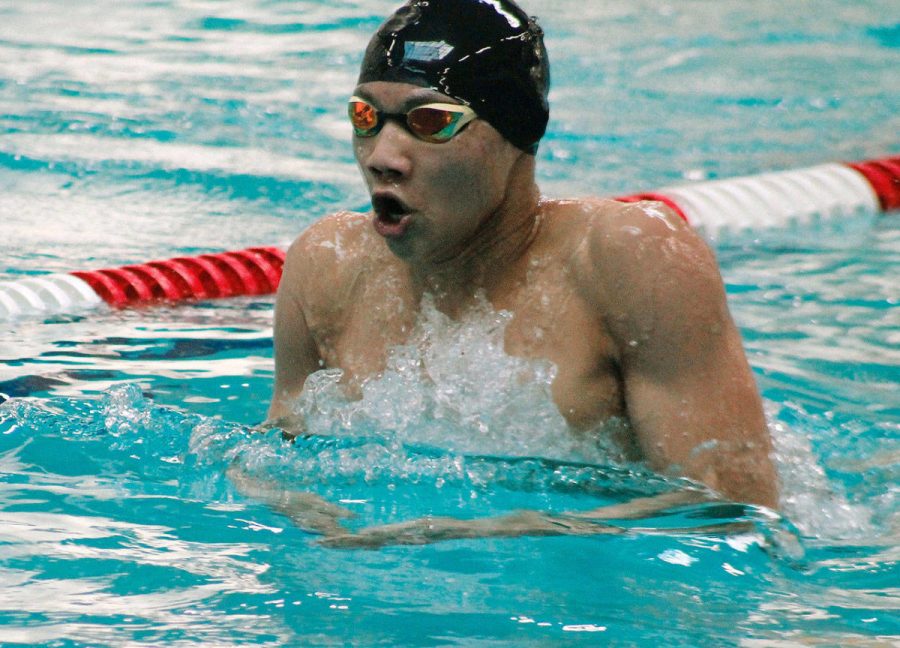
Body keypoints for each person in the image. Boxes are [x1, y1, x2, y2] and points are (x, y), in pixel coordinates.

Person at [265, 0, 779, 530]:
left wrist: (504, 533)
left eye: (431, 122)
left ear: (515, 133)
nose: (381, 156)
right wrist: (309, 515)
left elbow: (734, 504)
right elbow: (269, 458)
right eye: (365, 118)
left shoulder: (625, 256)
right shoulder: (328, 264)